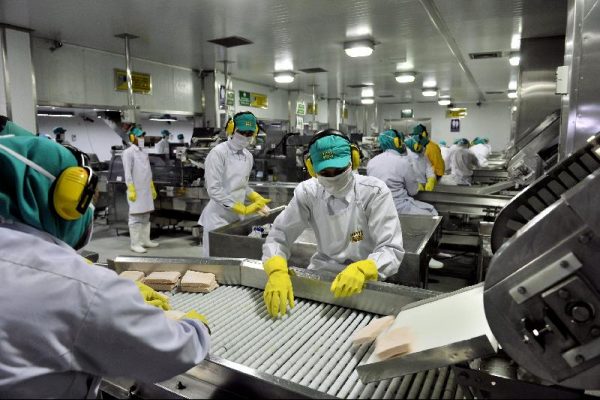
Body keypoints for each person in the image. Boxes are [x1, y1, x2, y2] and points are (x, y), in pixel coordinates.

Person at [0, 131, 210, 398]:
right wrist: (196, 327)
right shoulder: (81, 290)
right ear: (67, 200)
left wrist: (96, 276)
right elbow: (171, 351)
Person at [261, 129, 404, 317]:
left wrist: (365, 268)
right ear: (312, 169)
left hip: (366, 282)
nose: (333, 177)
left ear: (353, 161)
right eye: (325, 172)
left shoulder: (374, 192)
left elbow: (391, 248)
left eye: (339, 170)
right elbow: (279, 235)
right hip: (321, 277)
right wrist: (276, 270)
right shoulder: (308, 193)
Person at [199, 112, 271, 256]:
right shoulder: (218, 153)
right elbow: (214, 190)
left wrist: (255, 197)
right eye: (241, 132)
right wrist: (240, 208)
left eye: (249, 133)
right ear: (231, 130)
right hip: (217, 219)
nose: (245, 136)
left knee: (233, 258)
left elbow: (242, 185)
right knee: (216, 261)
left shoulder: (248, 156)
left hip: (236, 219)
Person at [367, 129, 437, 216]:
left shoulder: (371, 162)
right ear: (397, 142)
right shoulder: (403, 162)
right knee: (432, 212)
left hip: (378, 207)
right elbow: (413, 192)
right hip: (399, 207)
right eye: (400, 140)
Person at [122, 125, 159, 253]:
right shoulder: (128, 153)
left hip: (146, 189)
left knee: (146, 216)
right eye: (139, 136)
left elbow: (147, 171)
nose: (142, 138)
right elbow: (127, 172)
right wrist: (131, 187)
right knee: (135, 217)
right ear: (133, 137)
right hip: (136, 190)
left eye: (143, 136)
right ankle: (135, 244)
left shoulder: (144, 152)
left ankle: (145, 240)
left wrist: (151, 186)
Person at [405, 124, 437, 191]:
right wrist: (414, 183)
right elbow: (405, 175)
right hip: (411, 187)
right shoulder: (406, 155)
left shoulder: (423, 155)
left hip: (423, 184)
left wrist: (431, 179)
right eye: (421, 145)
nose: (423, 147)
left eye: (423, 145)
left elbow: (429, 168)